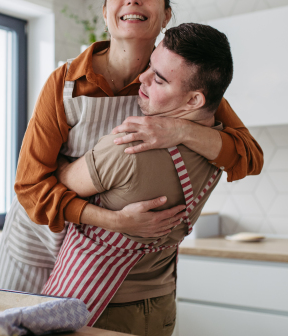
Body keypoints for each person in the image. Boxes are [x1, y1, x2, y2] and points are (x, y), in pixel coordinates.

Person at [0, 0, 263, 294]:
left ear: (166, 15)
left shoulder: (176, 86)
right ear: (105, 11)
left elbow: (249, 157)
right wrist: (115, 221)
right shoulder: (66, 83)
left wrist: (181, 130)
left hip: (99, 267)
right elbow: (30, 188)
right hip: (36, 248)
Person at [42, 23, 232, 336]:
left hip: (98, 311)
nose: (141, 79)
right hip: (161, 305)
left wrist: (63, 149)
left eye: (159, 78)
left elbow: (60, 177)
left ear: (195, 100)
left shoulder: (129, 147)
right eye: (149, 67)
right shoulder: (221, 148)